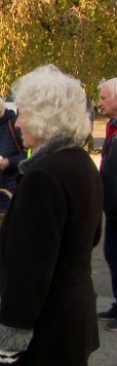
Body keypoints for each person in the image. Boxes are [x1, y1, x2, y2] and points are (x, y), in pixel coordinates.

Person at [0, 64, 102, 366]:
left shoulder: (44, 175)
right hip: (71, 316)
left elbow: (30, 270)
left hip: (45, 326)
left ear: (44, 116)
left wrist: (11, 336)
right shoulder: (81, 163)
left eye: (21, 113)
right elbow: (91, 237)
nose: (16, 122)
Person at [96, 77, 117, 330]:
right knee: (112, 257)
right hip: (112, 210)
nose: (99, 103)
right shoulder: (112, 127)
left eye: (104, 97)